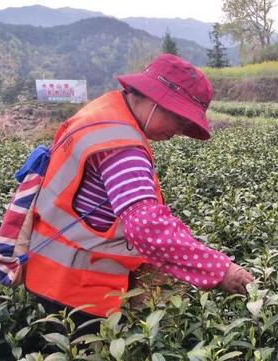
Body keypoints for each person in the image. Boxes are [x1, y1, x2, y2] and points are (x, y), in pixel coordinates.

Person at [22, 54, 254, 333]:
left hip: (48, 271)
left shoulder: (101, 114)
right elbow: (146, 226)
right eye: (179, 119)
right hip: (79, 292)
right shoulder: (122, 148)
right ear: (155, 100)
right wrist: (220, 269)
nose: (179, 131)